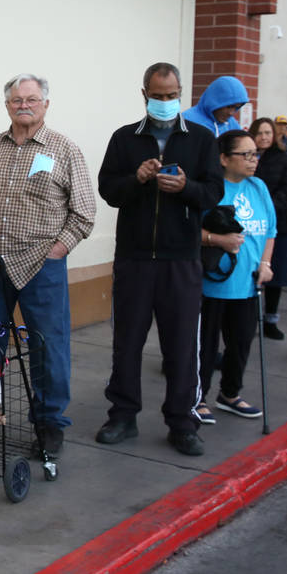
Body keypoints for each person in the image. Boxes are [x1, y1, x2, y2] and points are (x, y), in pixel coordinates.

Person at [0, 73, 95, 466]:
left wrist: (57, 250)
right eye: (16, 100)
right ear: (7, 106)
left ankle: (48, 425)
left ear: (46, 105)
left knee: (48, 347)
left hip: (40, 266)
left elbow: (83, 213)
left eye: (32, 99)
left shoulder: (65, 150)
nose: (24, 106)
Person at [95, 62, 223, 456]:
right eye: (158, 96)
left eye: (172, 96)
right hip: (134, 258)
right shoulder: (124, 138)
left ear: (181, 93)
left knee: (181, 344)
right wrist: (137, 178)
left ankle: (182, 422)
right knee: (127, 341)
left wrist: (185, 188)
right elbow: (108, 190)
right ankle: (122, 415)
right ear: (144, 95)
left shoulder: (201, 138)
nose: (165, 103)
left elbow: (214, 192)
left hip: (181, 259)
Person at [195, 130, 276, 424]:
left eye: (255, 154)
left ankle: (230, 394)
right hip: (214, 283)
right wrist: (218, 240)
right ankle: (198, 397)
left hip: (249, 283)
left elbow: (270, 231)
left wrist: (266, 263)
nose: (253, 160)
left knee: (241, 343)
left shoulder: (259, 188)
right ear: (224, 159)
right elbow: (193, 233)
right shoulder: (211, 190)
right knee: (205, 346)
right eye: (246, 155)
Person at [248, 117, 287, 340]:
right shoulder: (246, 157)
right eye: (260, 133)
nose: (264, 137)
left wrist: (266, 208)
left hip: (278, 224)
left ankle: (271, 319)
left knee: (274, 275)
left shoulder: (285, 160)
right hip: (249, 224)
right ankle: (250, 316)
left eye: (268, 133)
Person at [182, 75, 250, 136]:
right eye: (229, 107)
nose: (231, 113)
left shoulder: (231, 123)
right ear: (215, 101)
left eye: (236, 108)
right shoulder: (187, 120)